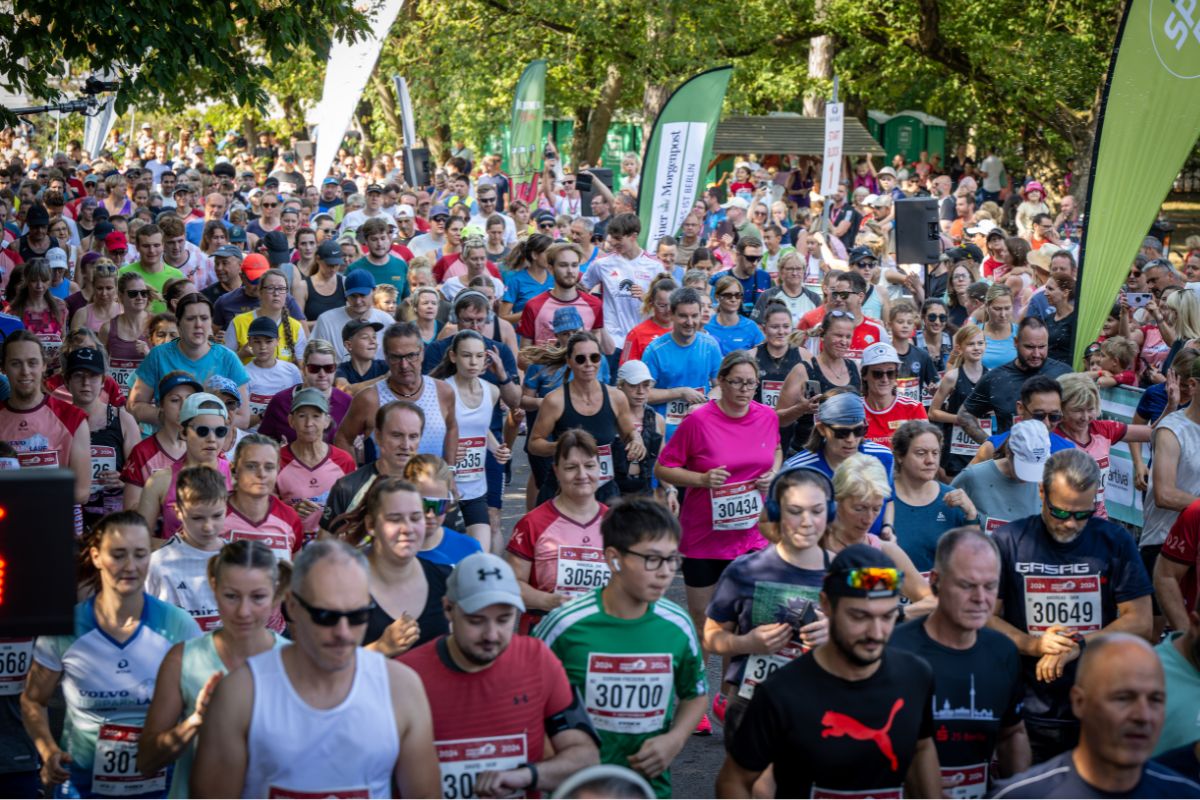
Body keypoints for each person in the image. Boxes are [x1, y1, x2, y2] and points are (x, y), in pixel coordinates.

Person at [191, 539, 441, 797]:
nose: (343, 632)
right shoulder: (240, 694)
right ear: (293, 607)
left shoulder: (401, 689)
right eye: (325, 616)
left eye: (357, 615)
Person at [715, 545, 941, 799]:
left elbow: (922, 749)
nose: (876, 633)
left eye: (887, 616)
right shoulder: (781, 691)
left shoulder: (915, 676)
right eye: (859, 616)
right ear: (826, 605)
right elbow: (734, 782)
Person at [990, 449, 1154, 763]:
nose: (1070, 524)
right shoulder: (1008, 541)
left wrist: (1079, 644)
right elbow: (984, 618)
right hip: (1026, 707)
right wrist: (1034, 644)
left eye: (1083, 514)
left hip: (1096, 704)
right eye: (1061, 513)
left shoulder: (1115, 541)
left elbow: (1141, 622)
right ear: (1041, 491)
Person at [536, 499, 708, 798]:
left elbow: (696, 694)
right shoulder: (565, 624)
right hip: (575, 790)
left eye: (672, 559)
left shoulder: (677, 624)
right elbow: (523, 698)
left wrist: (675, 739)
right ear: (614, 559)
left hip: (649, 788)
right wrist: (555, 756)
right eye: (652, 559)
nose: (666, 572)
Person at [21, 511, 201, 798]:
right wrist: (48, 750)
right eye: (118, 555)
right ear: (95, 556)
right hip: (82, 787)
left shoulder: (178, 625)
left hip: (161, 788)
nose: (130, 566)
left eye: (140, 554)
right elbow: (33, 699)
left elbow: (204, 703)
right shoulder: (67, 628)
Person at [399, 546, 603, 797]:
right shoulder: (406, 676)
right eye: (476, 620)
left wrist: (526, 775)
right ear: (448, 608)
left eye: (504, 619)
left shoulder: (537, 659)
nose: (491, 635)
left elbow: (586, 757)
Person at [655, 350, 781, 733]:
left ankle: (728, 697)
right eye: (737, 382)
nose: (745, 390)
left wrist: (771, 474)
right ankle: (694, 699)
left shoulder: (767, 416)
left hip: (750, 535)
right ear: (721, 382)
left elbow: (775, 451)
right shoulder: (698, 421)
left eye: (750, 383)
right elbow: (664, 466)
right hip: (704, 537)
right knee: (704, 623)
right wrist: (701, 480)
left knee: (743, 620)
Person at [139, 540, 289, 799]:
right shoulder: (182, 659)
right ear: (214, 586)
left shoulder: (293, 663)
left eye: (258, 597)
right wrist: (195, 721)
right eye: (231, 596)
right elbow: (147, 761)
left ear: (275, 593)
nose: (244, 611)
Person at [889, 528, 1031, 797]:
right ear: (935, 582)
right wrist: (910, 779)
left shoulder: (1003, 652)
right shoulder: (895, 649)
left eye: (990, 586)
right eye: (967, 585)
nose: (980, 599)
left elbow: (1013, 733)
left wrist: (1020, 791)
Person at [703, 467, 833, 740]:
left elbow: (872, 641)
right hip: (752, 702)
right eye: (795, 511)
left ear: (830, 513)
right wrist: (747, 643)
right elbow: (711, 637)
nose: (807, 521)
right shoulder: (744, 570)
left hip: (821, 704)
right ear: (775, 513)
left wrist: (834, 635)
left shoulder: (845, 572)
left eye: (817, 511)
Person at [993, 634, 1200, 798]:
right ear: (1079, 702)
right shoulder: (1022, 796)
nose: (1143, 716)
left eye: (1156, 699)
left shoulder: (1186, 794)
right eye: (1123, 698)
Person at [506, 430, 609, 632]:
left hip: (602, 633)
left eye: (589, 466)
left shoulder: (617, 523)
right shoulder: (532, 523)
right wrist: (551, 601)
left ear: (600, 468)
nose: (582, 475)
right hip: (547, 632)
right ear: (556, 471)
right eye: (571, 467)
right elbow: (511, 585)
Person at [527, 332, 645, 505]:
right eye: (581, 359)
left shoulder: (616, 397)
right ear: (569, 361)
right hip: (564, 491)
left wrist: (637, 441)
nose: (589, 364)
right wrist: (565, 446)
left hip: (604, 490)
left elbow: (629, 433)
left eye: (595, 357)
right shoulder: (555, 400)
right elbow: (534, 444)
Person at [431, 330, 512, 549]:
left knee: (479, 553)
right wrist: (446, 451)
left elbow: (481, 429)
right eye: (467, 355)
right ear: (453, 356)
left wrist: (497, 450)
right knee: (444, 555)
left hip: (476, 488)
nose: (473, 362)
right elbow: (429, 432)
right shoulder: (441, 390)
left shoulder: (492, 391)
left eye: (478, 356)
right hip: (444, 487)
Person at [128, 293, 250, 430]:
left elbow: (244, 418)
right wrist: (169, 417)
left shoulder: (228, 358)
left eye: (204, 318)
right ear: (179, 324)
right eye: (191, 319)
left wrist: (206, 421)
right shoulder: (158, 355)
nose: (198, 325)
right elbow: (134, 405)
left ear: (211, 323)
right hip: (169, 444)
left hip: (212, 444)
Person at [0, 330, 91, 504]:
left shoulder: (73, 418)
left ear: (44, 365)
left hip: (54, 522)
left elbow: (81, 492)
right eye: (15, 363)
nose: (25, 371)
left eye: (32, 363)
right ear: (3, 368)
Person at [1142, 357, 1200, 620]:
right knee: (1156, 637)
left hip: (1196, 545)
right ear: (1193, 385)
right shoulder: (1172, 429)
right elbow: (1164, 494)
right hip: (1164, 541)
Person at [321, 400, 426, 537]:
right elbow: (325, 547)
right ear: (378, 436)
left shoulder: (433, 487)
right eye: (396, 435)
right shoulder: (347, 487)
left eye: (413, 436)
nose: (405, 445)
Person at [1054, 373, 1150, 519]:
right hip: (1064, 524)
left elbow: (1154, 433)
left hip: (1098, 523)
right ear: (1061, 407)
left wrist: (1171, 406)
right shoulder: (1051, 437)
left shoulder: (1103, 429)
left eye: (1090, 409)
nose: (1085, 417)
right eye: (1077, 410)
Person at [139, 392, 234, 540]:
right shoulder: (160, 481)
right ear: (183, 432)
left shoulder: (237, 478)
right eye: (202, 431)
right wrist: (183, 551)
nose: (212, 439)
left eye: (220, 431)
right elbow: (141, 541)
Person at [145, 465, 229, 630]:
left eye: (217, 516)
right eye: (197, 518)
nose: (208, 527)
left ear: (226, 507)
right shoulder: (157, 564)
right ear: (178, 511)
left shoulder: (239, 559)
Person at [958, 316, 1071, 437]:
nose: (1036, 354)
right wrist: (993, 445)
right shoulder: (996, 378)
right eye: (1030, 347)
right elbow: (965, 415)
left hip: (1057, 455)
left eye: (1042, 347)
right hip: (1012, 455)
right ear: (1016, 343)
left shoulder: (1065, 374)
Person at [891, 421, 980, 575]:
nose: (930, 460)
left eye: (935, 453)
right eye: (921, 453)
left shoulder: (952, 499)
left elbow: (972, 560)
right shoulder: (882, 500)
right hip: (891, 593)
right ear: (900, 456)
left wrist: (971, 515)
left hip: (941, 595)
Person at [66, 347, 140, 527]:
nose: (85, 383)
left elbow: (140, 477)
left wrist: (122, 479)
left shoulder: (123, 419)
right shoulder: (57, 420)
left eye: (92, 376)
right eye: (78, 375)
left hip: (112, 521)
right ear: (67, 381)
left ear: (103, 381)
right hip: (69, 516)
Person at [274, 387, 357, 541]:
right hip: (290, 540)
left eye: (316, 416)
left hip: (332, 543)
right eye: (302, 416)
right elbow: (267, 509)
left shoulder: (344, 460)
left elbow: (353, 508)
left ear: (327, 421)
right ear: (291, 421)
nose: (309, 423)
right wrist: (291, 512)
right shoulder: (276, 459)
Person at [580, 213, 663, 365]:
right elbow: (581, 290)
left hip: (641, 340)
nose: (613, 243)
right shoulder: (602, 264)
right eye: (612, 237)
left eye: (619, 239)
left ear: (633, 236)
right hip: (612, 341)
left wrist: (647, 298)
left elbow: (666, 304)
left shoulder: (655, 266)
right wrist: (593, 311)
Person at [642, 287, 723, 442]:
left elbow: (720, 386)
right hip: (665, 434)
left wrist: (705, 402)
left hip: (700, 429)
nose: (690, 322)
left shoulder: (710, 345)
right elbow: (644, 394)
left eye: (694, 316)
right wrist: (680, 392)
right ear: (671, 315)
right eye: (683, 316)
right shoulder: (655, 350)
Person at [951, 419, 1048, 533]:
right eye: (1024, 468)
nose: (1028, 477)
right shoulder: (973, 476)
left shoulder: (1046, 481)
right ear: (1008, 452)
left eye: (1035, 469)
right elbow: (943, 514)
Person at [222, 435, 304, 567]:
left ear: (278, 471)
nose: (261, 474)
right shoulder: (213, 513)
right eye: (251, 466)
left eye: (269, 467)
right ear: (234, 469)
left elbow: (295, 577)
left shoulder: (290, 517)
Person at [120, 372, 197, 509]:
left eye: (190, 399)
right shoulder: (142, 452)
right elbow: (130, 508)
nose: (184, 406)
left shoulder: (206, 447)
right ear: (160, 404)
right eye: (175, 400)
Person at [515, 241, 604, 346]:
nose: (570, 271)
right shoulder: (533, 306)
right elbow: (524, 355)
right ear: (551, 269)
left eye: (575, 265)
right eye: (563, 265)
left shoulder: (595, 304)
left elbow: (597, 346)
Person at [928, 323, 988, 478]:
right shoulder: (952, 377)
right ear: (960, 348)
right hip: (957, 448)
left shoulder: (991, 377)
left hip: (982, 444)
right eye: (970, 344)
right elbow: (933, 413)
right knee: (954, 492)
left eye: (980, 343)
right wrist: (961, 419)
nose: (976, 348)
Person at [402, 454, 483, 566]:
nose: (430, 514)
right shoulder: (388, 551)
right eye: (423, 504)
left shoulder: (469, 549)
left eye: (440, 504)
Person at [225, 268, 306, 364]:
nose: (276, 293)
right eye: (270, 288)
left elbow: (301, 368)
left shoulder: (296, 327)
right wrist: (241, 355)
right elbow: (224, 364)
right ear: (260, 292)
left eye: (281, 289)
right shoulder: (239, 323)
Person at [860, 342, 929, 449]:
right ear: (864, 375)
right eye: (877, 374)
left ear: (896, 374)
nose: (885, 379)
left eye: (890, 373)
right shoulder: (855, 409)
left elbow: (925, 449)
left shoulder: (914, 408)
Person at [100, 271, 153, 393]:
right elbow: (100, 367)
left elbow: (166, 368)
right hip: (116, 399)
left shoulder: (157, 325)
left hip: (145, 400)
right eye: (133, 293)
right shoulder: (107, 328)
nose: (139, 297)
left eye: (144, 293)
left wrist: (149, 355)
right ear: (120, 296)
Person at [620, 276, 675, 366]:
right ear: (651, 303)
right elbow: (625, 369)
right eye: (662, 305)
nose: (668, 309)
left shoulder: (683, 330)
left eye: (672, 305)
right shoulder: (636, 334)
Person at [706, 274, 765, 354]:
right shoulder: (707, 326)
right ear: (717, 297)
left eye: (738, 295)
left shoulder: (751, 326)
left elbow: (762, 354)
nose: (733, 299)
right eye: (728, 295)